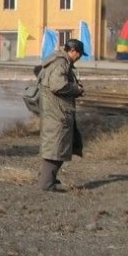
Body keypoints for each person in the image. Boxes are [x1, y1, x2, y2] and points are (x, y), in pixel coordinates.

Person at [37, 39, 87, 192]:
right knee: (56, 149)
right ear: (73, 51)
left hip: (56, 111)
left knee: (59, 147)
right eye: (79, 54)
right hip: (57, 113)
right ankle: (46, 184)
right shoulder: (61, 63)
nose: (79, 57)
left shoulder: (57, 61)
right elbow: (57, 85)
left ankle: (48, 179)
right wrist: (76, 89)